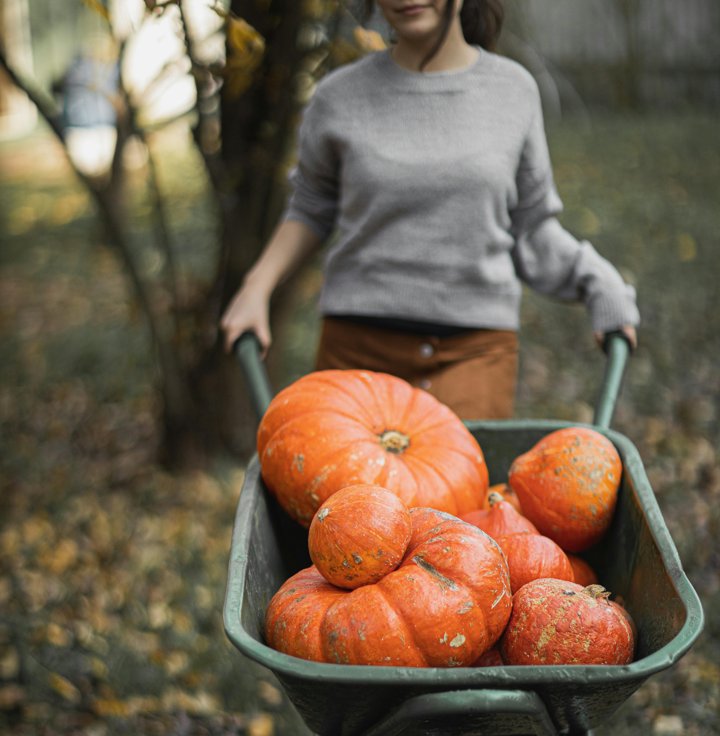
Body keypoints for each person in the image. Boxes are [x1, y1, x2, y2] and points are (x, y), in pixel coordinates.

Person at [220, 0, 639, 421]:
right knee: (347, 490)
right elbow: (311, 209)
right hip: (356, 356)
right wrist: (256, 287)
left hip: (472, 356)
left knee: (466, 486)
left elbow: (532, 229)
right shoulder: (339, 96)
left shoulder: (513, 91)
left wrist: (600, 282)